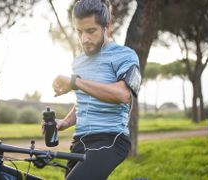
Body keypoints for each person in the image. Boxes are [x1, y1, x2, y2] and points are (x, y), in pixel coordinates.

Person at [50, 0, 141, 179]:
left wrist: (75, 82)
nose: (84, 39)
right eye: (79, 31)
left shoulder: (125, 55)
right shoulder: (78, 61)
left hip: (111, 139)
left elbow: (123, 95)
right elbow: (85, 100)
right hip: (80, 141)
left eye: (91, 31)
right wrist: (66, 122)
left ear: (106, 27)